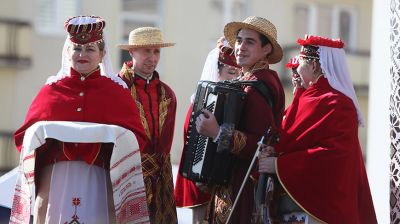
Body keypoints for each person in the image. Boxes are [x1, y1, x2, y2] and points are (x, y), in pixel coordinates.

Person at [10, 16, 149, 224]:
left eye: (90, 49)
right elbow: (26, 136)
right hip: (56, 174)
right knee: (41, 203)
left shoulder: (116, 92)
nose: (82, 54)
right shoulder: (51, 90)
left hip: (100, 176)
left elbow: (136, 139)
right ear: (68, 52)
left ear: (102, 54)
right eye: (77, 48)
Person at [258, 35, 377, 223]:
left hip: (320, 209)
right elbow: (295, 142)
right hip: (293, 200)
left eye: (301, 64)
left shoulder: (337, 103)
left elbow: (333, 156)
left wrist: (279, 165)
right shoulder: (310, 98)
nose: (296, 69)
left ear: (314, 66)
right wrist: (275, 150)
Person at [196, 16, 286, 223]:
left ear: (266, 50)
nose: (241, 47)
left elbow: (262, 145)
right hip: (234, 182)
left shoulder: (259, 84)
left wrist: (218, 133)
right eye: (239, 40)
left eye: (250, 42)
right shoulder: (248, 79)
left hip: (245, 187)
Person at [174, 37, 241, 224]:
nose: (235, 78)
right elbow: (192, 143)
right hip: (201, 178)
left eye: (238, 72)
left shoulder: (237, 101)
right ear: (217, 71)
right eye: (230, 72)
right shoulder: (202, 102)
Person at [118, 27, 177, 223]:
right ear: (132, 52)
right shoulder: (117, 88)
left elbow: (166, 145)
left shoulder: (167, 94)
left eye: (156, 51)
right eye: (146, 51)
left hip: (160, 176)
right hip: (126, 174)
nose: (152, 58)